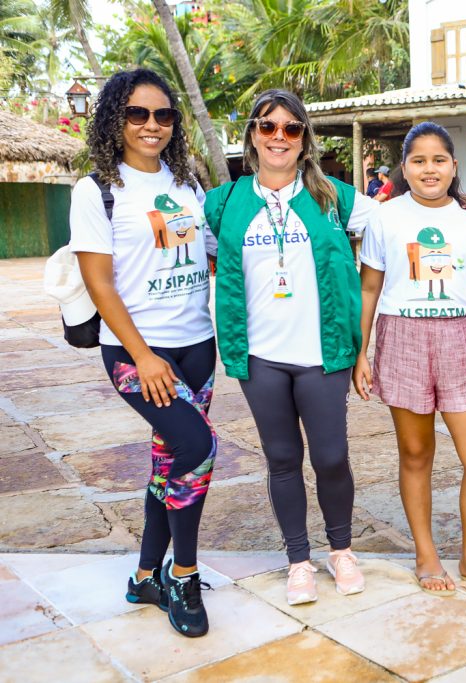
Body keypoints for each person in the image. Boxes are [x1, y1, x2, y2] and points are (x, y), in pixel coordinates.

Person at [204, 89, 374, 605]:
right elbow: (197, 253)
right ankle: (297, 559)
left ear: (305, 139)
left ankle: (340, 550)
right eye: (267, 126)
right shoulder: (223, 202)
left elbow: (400, 224)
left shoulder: (336, 198)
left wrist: (458, 200)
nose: (279, 136)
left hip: (322, 354)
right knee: (281, 458)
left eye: (291, 128)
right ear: (252, 136)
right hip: (260, 357)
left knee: (331, 456)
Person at [71, 68, 217, 638]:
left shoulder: (188, 185)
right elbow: (100, 284)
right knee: (196, 447)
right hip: (138, 352)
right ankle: (183, 574)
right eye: (137, 114)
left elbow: (213, 251)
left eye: (163, 115)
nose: (151, 125)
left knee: (171, 461)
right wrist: (144, 356)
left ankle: (143, 577)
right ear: (115, 119)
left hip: (197, 345)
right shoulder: (98, 190)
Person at [354, 122, 466, 596]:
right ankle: (426, 555)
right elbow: (369, 288)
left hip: (458, 339)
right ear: (404, 168)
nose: (429, 169)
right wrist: (361, 353)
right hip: (402, 335)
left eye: (439, 159)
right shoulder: (384, 217)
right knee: (417, 452)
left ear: (454, 167)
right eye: (418, 160)